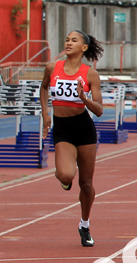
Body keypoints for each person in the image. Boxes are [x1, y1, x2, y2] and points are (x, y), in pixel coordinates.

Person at [39, 30, 105, 247]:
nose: (68, 43)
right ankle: (66, 181)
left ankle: (84, 225)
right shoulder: (53, 67)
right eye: (66, 39)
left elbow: (100, 110)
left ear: (83, 48)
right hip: (63, 130)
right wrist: (46, 114)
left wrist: (83, 98)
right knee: (66, 175)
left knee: (86, 184)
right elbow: (44, 87)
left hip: (84, 129)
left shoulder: (90, 74)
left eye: (73, 40)